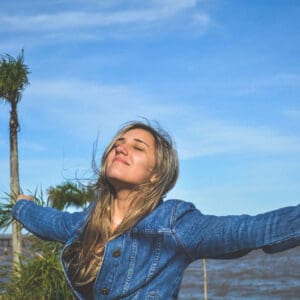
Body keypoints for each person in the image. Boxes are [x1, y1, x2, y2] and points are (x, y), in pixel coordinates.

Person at [13, 121, 300, 300]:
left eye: (138, 147)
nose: (121, 149)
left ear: (155, 174)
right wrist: (23, 206)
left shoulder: (175, 225)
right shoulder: (85, 223)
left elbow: (250, 230)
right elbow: (47, 220)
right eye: (118, 143)